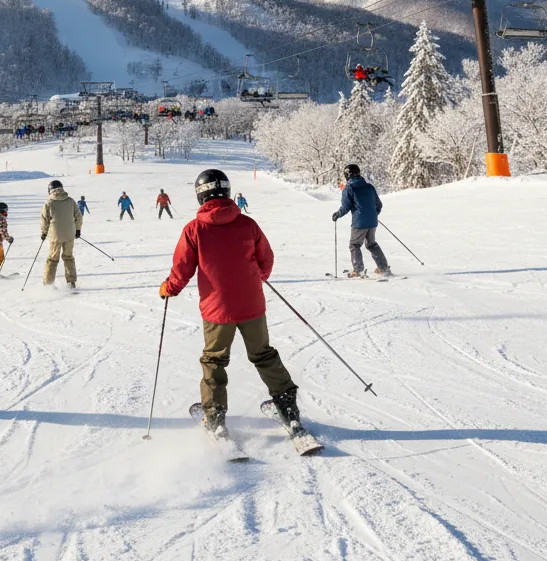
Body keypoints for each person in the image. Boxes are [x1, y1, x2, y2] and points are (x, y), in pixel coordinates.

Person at [160, 168, 301, 436]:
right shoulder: (247, 224)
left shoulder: (194, 230)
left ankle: (214, 418)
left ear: (200, 197)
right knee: (263, 355)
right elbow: (266, 259)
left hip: (217, 310)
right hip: (252, 306)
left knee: (214, 360)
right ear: (226, 191)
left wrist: (169, 288)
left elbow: (182, 268)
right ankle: (288, 410)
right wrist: (256, 278)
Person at [332, 164, 391, 277]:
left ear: (348, 175)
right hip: (372, 221)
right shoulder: (369, 187)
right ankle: (383, 268)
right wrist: (373, 214)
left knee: (355, 245)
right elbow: (379, 204)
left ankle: (357, 270)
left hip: (359, 223)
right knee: (371, 244)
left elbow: (345, 207)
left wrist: (337, 215)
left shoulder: (349, 188)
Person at [40, 179, 82, 288]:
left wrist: (44, 232)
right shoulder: (70, 201)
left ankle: (48, 283)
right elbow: (78, 216)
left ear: (50, 191)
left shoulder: (49, 203)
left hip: (55, 236)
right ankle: (71, 282)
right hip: (69, 235)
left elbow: (45, 219)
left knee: (53, 259)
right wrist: (77, 230)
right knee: (68, 257)